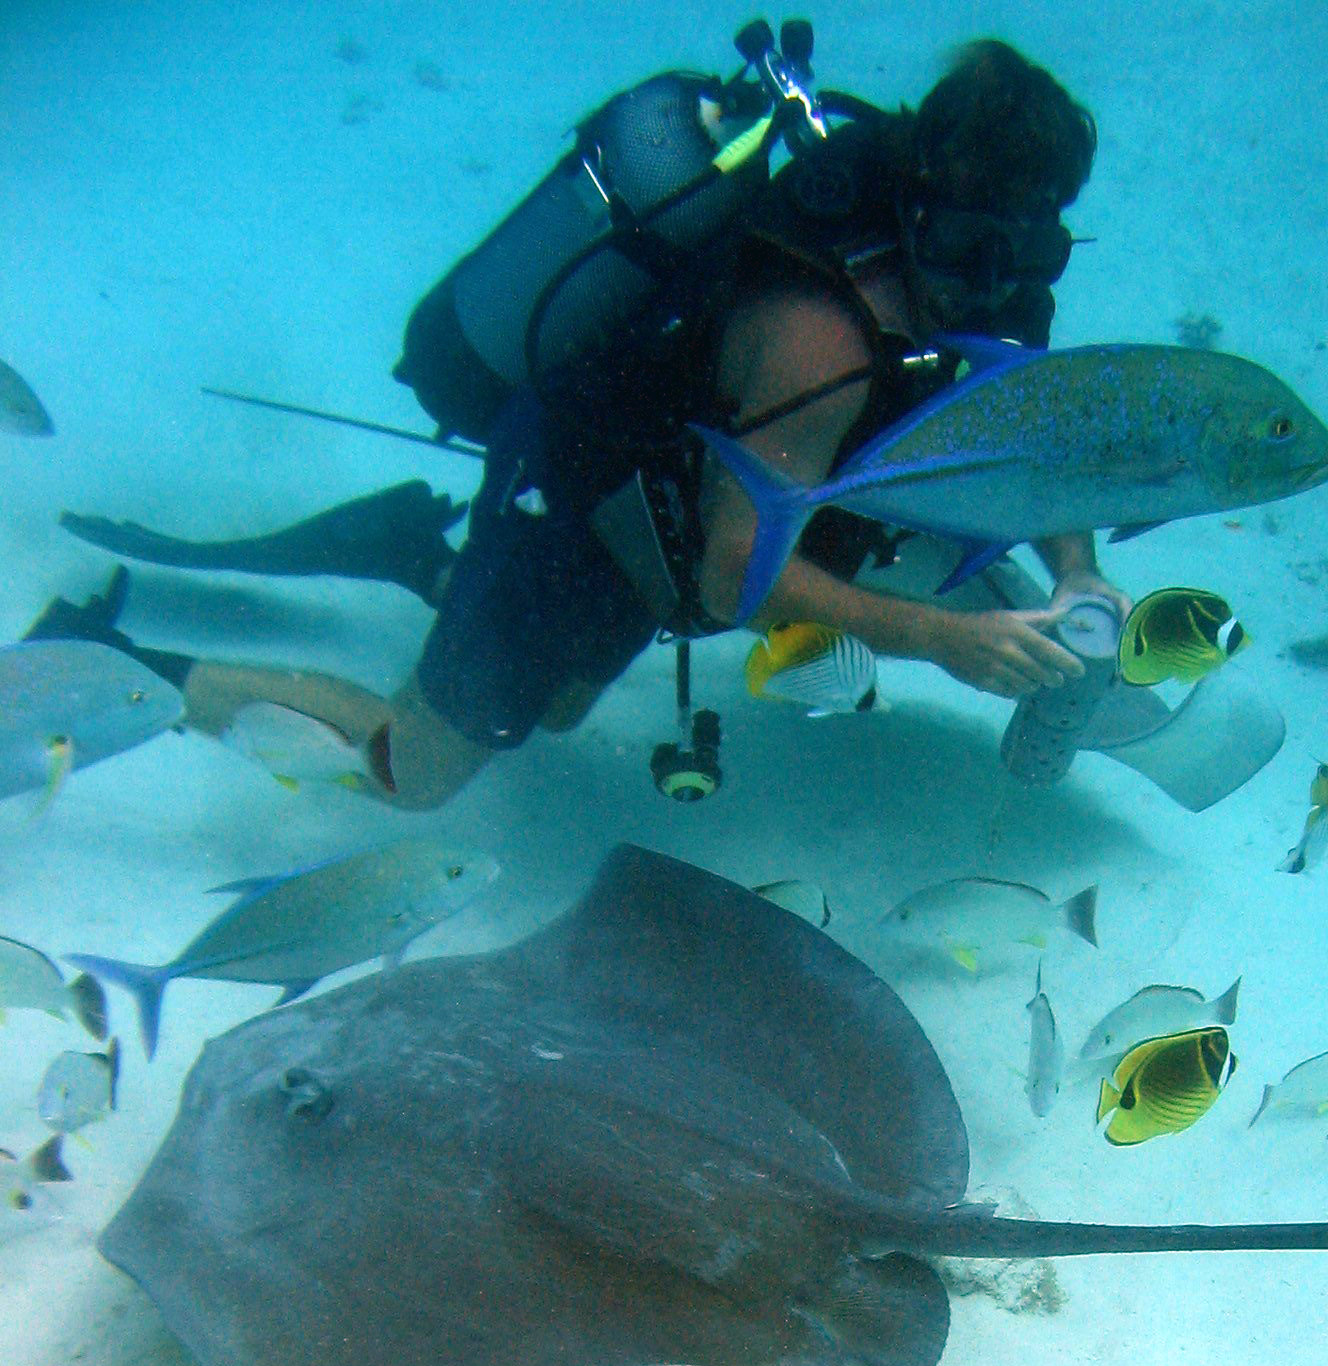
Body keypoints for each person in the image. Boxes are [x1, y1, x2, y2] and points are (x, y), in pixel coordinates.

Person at [43, 40, 1131, 808]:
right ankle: (106, 665)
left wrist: (1076, 568)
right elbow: (733, 573)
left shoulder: (995, 293)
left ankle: (416, 558)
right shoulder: (819, 330)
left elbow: (1023, 442)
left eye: (1023, 253)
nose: (988, 284)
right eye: (968, 249)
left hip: (653, 531)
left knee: (559, 714)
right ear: (919, 205)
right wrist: (941, 638)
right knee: (410, 772)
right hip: (576, 498)